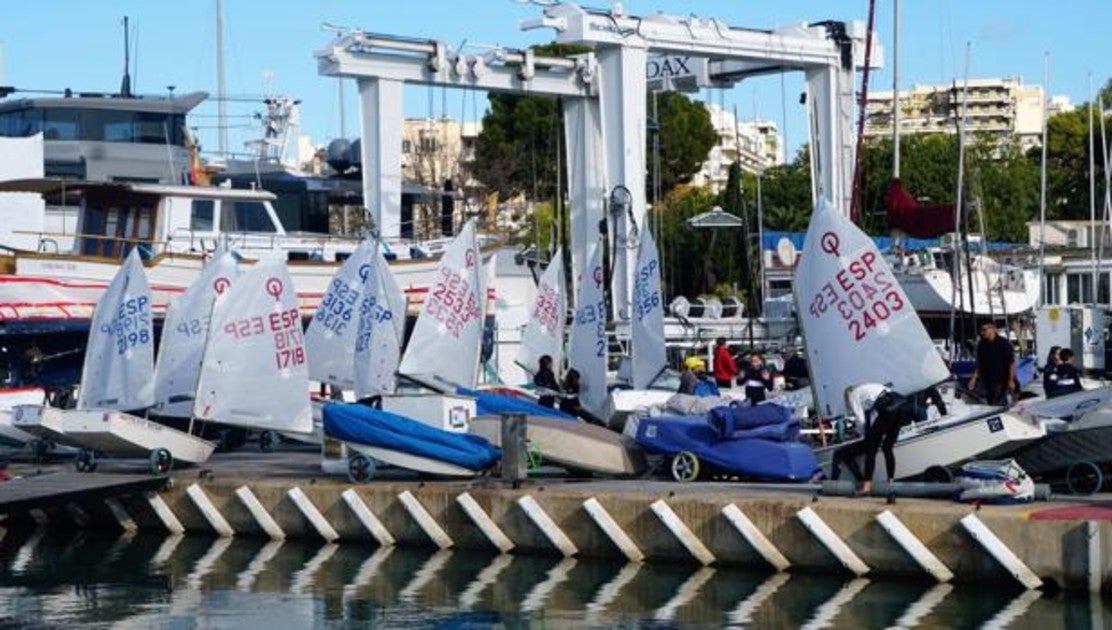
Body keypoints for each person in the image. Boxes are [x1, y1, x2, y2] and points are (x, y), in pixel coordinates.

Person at [830, 383, 908, 494]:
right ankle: (891, 482)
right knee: (887, 447)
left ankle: (866, 487)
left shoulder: (853, 395)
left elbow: (861, 420)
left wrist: (863, 435)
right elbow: (874, 414)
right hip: (902, 405)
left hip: (888, 410)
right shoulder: (870, 388)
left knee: (871, 449)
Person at [968, 323, 1017, 406]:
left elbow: (1011, 363)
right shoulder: (982, 344)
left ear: (993, 329)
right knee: (988, 401)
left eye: (984, 330)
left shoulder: (1004, 343)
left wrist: (1011, 380)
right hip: (986, 379)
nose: (982, 332)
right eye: (981, 330)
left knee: (999, 401)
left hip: (1001, 379)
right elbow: (979, 362)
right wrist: (974, 378)